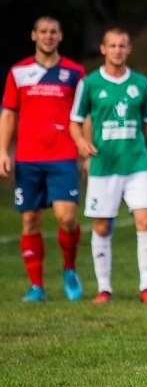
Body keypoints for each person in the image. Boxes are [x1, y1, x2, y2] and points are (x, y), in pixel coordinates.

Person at [69, 28, 147, 305]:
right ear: (103, 49)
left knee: (145, 221)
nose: (117, 50)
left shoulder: (140, 83)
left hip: (137, 164)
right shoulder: (89, 84)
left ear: (129, 49)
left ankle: (146, 287)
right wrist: (80, 143)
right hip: (103, 166)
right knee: (101, 227)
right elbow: (75, 120)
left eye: (122, 46)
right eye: (112, 46)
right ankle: (104, 288)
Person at [0, 17, 85, 302]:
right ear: (33, 35)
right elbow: (9, 114)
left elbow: (84, 115)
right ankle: (36, 286)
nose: (48, 36)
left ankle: (69, 269)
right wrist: (2, 151)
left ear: (61, 36)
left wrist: (86, 151)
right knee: (30, 220)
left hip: (63, 155)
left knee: (67, 217)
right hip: (28, 158)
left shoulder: (75, 72)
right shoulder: (19, 72)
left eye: (54, 32)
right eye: (43, 31)